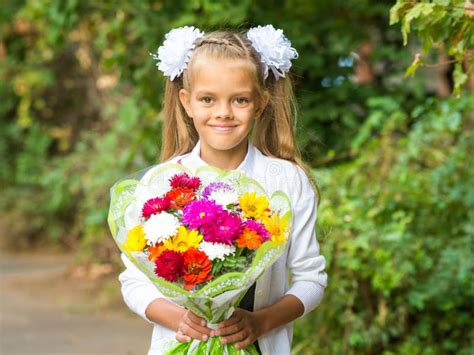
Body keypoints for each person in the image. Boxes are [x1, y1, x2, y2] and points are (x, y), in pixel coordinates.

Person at [118, 25, 327, 355]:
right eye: (207, 99)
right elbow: (134, 280)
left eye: (240, 100)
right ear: (186, 102)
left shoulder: (286, 181)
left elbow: (311, 279)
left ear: (260, 103)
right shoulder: (161, 183)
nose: (223, 112)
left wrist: (262, 322)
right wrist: (179, 319)